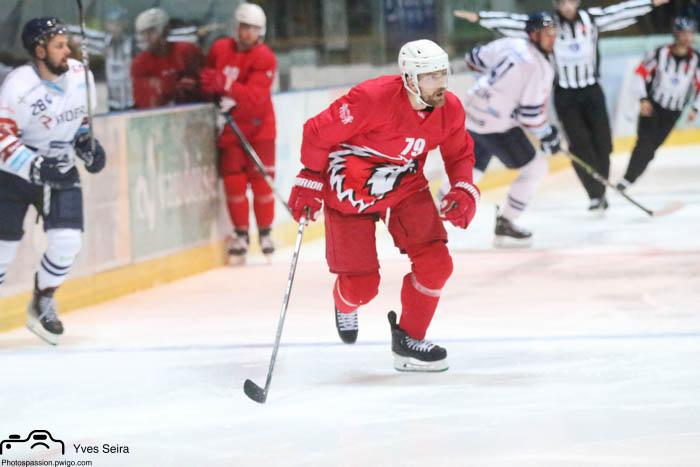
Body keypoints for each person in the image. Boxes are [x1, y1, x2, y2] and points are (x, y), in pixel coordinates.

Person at [287, 39, 480, 372]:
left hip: (404, 187)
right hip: (350, 190)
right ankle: (344, 302)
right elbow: (317, 131)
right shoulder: (371, 99)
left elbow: (459, 152)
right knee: (361, 289)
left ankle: (408, 342)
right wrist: (309, 177)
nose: (440, 84)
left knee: (436, 264)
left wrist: (463, 187)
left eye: (442, 74)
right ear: (409, 78)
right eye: (430, 77)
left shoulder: (449, 109)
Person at [454, 0, 669, 214]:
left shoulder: (590, 19)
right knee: (579, 144)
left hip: (592, 91)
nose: (567, 6)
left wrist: (651, 3)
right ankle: (595, 195)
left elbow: (619, 13)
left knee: (603, 143)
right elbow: (515, 23)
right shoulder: (547, 25)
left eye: (570, 1)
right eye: (562, 2)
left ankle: (601, 188)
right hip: (566, 95)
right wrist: (480, 17)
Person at [0, 17, 106, 344]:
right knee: (2, 251)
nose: (67, 51)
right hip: (13, 176)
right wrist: (33, 167)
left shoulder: (81, 76)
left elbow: (82, 122)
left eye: (67, 44)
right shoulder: (18, 86)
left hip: (60, 168)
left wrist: (87, 145)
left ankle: (43, 299)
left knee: (68, 242)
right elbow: (2, 136)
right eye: (59, 45)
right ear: (39, 50)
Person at [463, 12, 560, 246]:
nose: (552, 38)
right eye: (547, 33)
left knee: (472, 168)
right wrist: (548, 136)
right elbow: (530, 116)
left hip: (470, 112)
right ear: (533, 35)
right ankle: (506, 221)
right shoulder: (540, 68)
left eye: (553, 33)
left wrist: (494, 91)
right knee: (535, 168)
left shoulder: (510, 43)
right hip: (496, 125)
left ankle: (434, 213)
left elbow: (472, 59)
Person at [200, 3, 277, 263]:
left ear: (261, 31)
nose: (247, 33)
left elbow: (256, 98)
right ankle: (241, 235)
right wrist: (209, 90)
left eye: (253, 28)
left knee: (262, 183)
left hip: (260, 128)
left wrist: (227, 87)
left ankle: (265, 233)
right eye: (244, 27)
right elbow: (208, 78)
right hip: (230, 128)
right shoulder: (220, 49)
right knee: (234, 183)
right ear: (236, 27)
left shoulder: (265, 57)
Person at [617, 17, 699, 190]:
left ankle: (630, 177)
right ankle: (627, 179)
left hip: (674, 112)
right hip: (653, 107)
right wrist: (642, 99)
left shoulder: (696, 60)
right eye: (683, 33)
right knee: (644, 144)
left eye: (690, 33)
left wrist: (695, 108)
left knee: (652, 148)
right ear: (675, 33)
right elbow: (639, 74)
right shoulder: (659, 53)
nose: (686, 37)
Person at [130, 8, 204, 109]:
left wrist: (194, 85)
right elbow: (145, 105)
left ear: (166, 30)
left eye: (151, 31)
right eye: (143, 33)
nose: (146, 37)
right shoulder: (139, 63)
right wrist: (166, 88)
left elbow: (205, 84)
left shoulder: (187, 50)